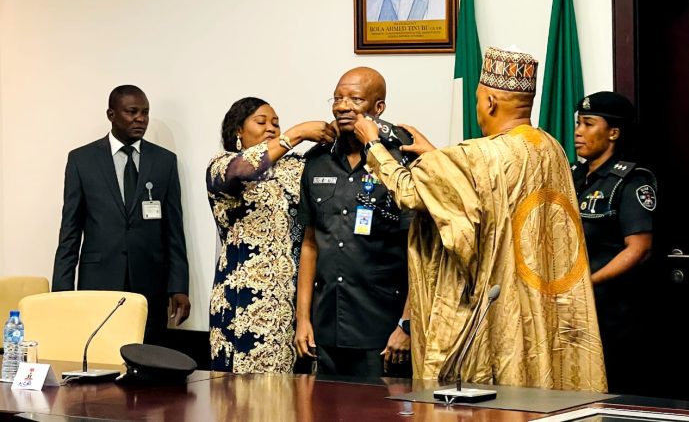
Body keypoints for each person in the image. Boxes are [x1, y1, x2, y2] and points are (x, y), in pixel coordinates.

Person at [353, 47, 607, 392]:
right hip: (541, 303)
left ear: (489, 102)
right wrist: (437, 156)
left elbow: (411, 193)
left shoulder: (478, 155)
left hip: (497, 312)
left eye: (478, 100)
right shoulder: (550, 147)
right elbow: (486, 190)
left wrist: (372, 146)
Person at [294, 67, 412, 378]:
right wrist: (303, 319)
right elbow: (310, 243)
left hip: (382, 328)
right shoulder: (317, 160)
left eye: (355, 98)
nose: (343, 106)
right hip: (327, 324)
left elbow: (420, 251)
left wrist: (407, 324)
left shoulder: (401, 159)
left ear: (378, 108)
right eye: (337, 98)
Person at [52, 85, 190, 344]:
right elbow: (69, 230)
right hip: (98, 282)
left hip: (150, 283)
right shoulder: (82, 160)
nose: (141, 119)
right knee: (100, 360)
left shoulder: (164, 161)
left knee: (147, 363)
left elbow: (174, 229)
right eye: (132, 112)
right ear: (111, 114)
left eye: (145, 113)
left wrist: (179, 285)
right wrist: (61, 290)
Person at [207, 98, 336, 373]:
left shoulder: (294, 167)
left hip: (294, 298)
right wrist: (298, 132)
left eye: (276, 123)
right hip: (245, 298)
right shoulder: (223, 166)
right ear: (237, 131)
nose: (271, 128)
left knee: (293, 395)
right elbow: (243, 169)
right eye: (261, 121)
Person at [572, 91, 656, 394]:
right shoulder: (572, 176)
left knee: (614, 395)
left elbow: (639, 248)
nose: (578, 131)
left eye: (589, 124)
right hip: (576, 309)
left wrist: (588, 283)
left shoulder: (631, 180)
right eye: (578, 123)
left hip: (615, 313)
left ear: (613, 133)